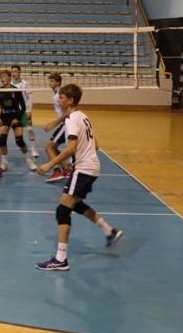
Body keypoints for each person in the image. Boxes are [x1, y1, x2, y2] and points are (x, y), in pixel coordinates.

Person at [34, 84, 123, 272]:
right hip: (90, 166)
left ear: (70, 100)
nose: (59, 100)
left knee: (62, 211)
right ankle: (109, 231)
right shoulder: (83, 116)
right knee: (75, 204)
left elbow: (71, 148)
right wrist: (74, 161)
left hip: (84, 168)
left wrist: (50, 165)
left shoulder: (72, 119)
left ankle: (61, 259)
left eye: (62, 98)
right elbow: (95, 145)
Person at [0, 69, 35, 172]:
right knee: (2, 140)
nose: (2, 79)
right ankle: (4, 163)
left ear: (9, 77)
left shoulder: (16, 90)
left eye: (4, 76)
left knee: (19, 141)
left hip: (16, 117)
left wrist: (17, 118)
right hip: (4, 117)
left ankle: (30, 161)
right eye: (1, 77)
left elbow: (23, 107)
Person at [42, 73, 71, 182]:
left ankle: (57, 171)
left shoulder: (60, 94)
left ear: (58, 82)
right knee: (53, 147)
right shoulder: (57, 94)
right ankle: (67, 169)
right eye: (49, 81)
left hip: (67, 124)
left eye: (52, 81)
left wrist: (52, 124)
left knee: (49, 147)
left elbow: (67, 112)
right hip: (66, 123)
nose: (49, 83)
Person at [11, 65, 39, 158]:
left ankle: (33, 149)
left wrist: (29, 110)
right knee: (6, 130)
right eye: (12, 72)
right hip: (14, 113)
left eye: (15, 71)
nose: (13, 73)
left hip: (24, 111)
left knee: (30, 129)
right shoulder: (10, 84)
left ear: (19, 72)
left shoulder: (25, 84)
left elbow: (29, 98)